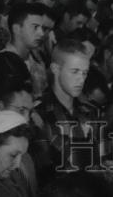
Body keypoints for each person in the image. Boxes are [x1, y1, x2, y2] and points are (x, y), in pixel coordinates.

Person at [34, 38, 98, 184]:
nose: (81, 79)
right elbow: (44, 172)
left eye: (85, 73)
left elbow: (96, 162)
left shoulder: (89, 111)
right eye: (75, 71)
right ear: (56, 69)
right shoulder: (39, 114)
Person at [0, 2, 49, 98]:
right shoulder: (1, 62)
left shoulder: (38, 62)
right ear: (16, 29)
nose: (41, 33)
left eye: (42, 28)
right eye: (35, 27)